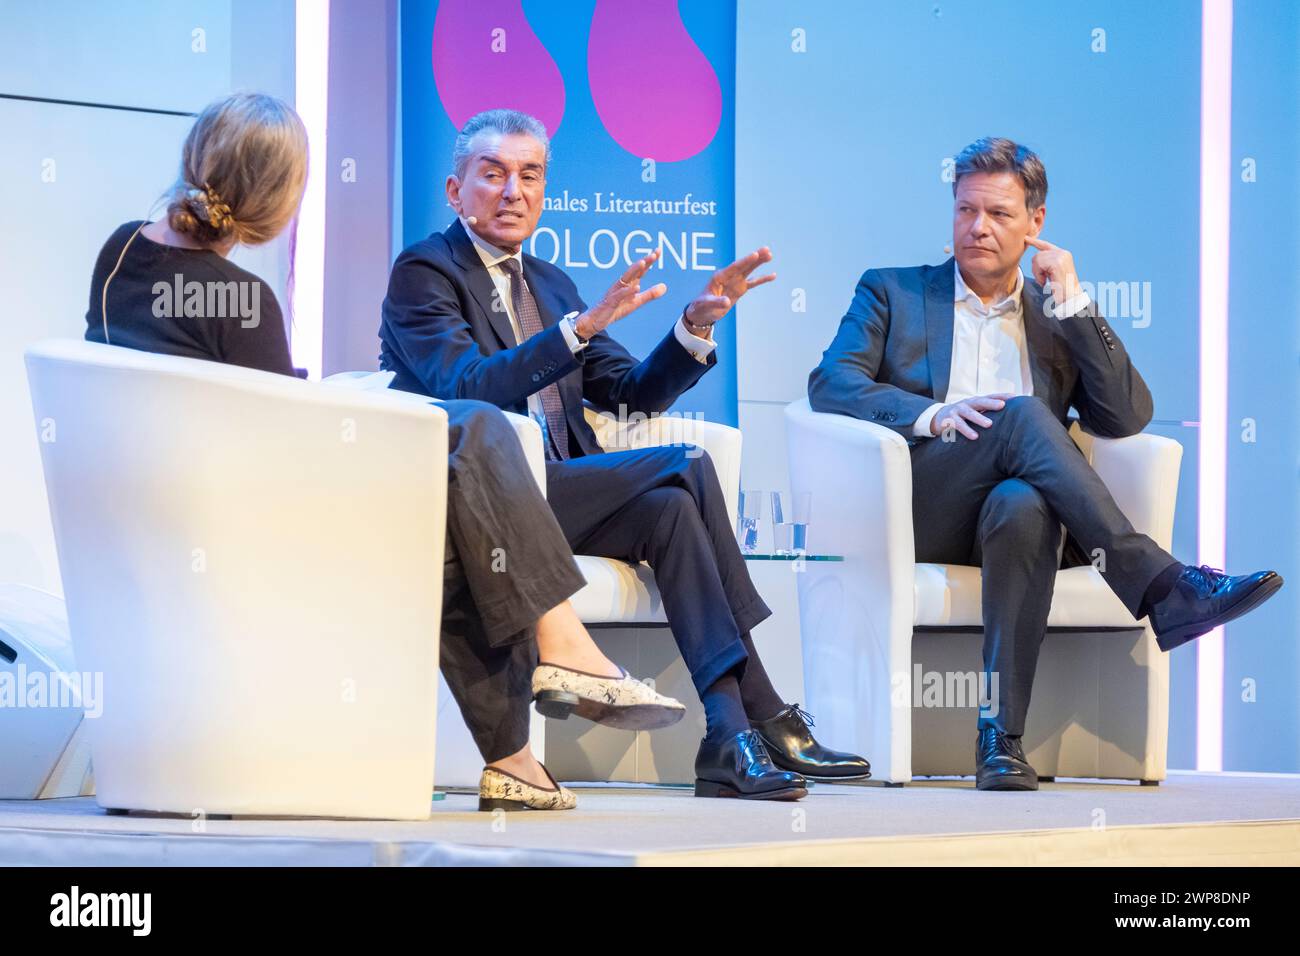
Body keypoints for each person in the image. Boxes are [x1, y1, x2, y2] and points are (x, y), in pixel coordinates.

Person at [85, 92, 685, 813]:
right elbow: (288, 447)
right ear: (279, 200)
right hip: (247, 523)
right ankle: (545, 680)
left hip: (164, 504)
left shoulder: (120, 252)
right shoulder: (244, 304)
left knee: (468, 452)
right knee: (465, 496)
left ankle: (526, 739)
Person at [380, 108, 870, 800]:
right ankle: (765, 709)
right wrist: (575, 330)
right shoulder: (425, 271)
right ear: (456, 191)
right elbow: (465, 388)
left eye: (529, 175)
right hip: (487, 504)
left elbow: (631, 391)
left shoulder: (550, 283)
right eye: (492, 174)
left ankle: (727, 732)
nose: (512, 191)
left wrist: (692, 328)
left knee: (672, 506)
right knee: (687, 470)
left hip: (561, 491)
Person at [808, 136, 1283, 791]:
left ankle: (1000, 741)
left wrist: (1076, 305)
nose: (977, 227)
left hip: (1017, 517)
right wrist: (931, 415)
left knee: (1023, 505)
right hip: (921, 504)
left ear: (1036, 223)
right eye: (965, 210)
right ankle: (1165, 587)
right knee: (1028, 414)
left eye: (999, 214)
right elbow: (830, 383)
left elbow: (1124, 417)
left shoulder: (1055, 320)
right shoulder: (892, 291)